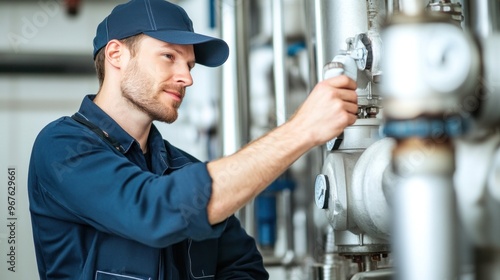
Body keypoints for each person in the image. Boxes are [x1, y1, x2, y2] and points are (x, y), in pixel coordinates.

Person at [27, 0, 358, 279]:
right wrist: (301, 130)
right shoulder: (62, 147)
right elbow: (155, 210)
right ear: (116, 55)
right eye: (169, 57)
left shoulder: (184, 167)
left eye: (189, 64)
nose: (186, 78)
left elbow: (243, 267)